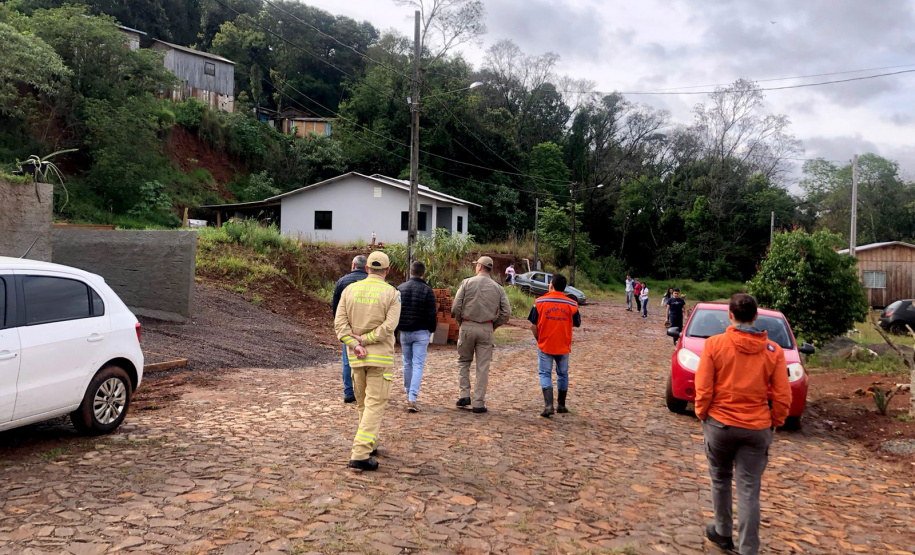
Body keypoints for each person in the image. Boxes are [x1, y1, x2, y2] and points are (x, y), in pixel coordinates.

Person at [695, 293, 791, 555]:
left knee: (720, 479)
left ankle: (723, 532)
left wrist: (702, 413)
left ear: (730, 315)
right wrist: (777, 421)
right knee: (749, 489)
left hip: (720, 424)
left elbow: (703, 387)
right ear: (756, 317)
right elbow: (783, 394)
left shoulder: (715, 345)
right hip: (757, 426)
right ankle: (749, 548)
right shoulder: (774, 351)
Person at [334, 251, 402, 471]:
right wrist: (367, 339)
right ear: (387, 270)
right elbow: (389, 327)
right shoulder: (392, 294)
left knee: (363, 404)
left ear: (366, 269)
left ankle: (370, 442)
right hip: (380, 359)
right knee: (374, 405)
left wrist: (356, 345)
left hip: (356, 359)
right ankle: (360, 453)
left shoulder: (349, 290)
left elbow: (340, 326)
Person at [451, 256, 512, 413]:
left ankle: (464, 394)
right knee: (482, 367)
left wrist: (461, 322)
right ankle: (478, 402)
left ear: (479, 267)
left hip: (467, 325)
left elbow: (456, 306)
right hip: (486, 328)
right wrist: (493, 325)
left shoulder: (467, 283)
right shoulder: (498, 288)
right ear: (490, 269)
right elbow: (506, 312)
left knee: (464, 361)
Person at [527, 273, 581, 418]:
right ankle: (561, 405)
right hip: (563, 344)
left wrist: (539, 338)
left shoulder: (539, 302)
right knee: (562, 373)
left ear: (551, 284)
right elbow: (577, 323)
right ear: (564, 287)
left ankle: (548, 405)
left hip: (545, 344)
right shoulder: (572, 304)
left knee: (545, 373)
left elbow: (533, 325)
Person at [396, 260, 437, 412]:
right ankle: (412, 397)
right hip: (421, 332)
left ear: (410, 272)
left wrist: (396, 331)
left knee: (407, 363)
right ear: (423, 273)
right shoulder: (427, 290)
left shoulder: (400, 289)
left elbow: (394, 311)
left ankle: (408, 393)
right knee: (418, 364)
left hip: (405, 332)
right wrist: (431, 330)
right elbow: (432, 314)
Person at [331, 255, 368, 404]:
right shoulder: (371, 283)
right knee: (368, 359)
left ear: (353, 266)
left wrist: (340, 326)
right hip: (368, 327)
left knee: (348, 360)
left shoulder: (342, 282)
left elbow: (336, 308)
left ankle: (348, 392)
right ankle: (365, 391)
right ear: (366, 267)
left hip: (348, 327)